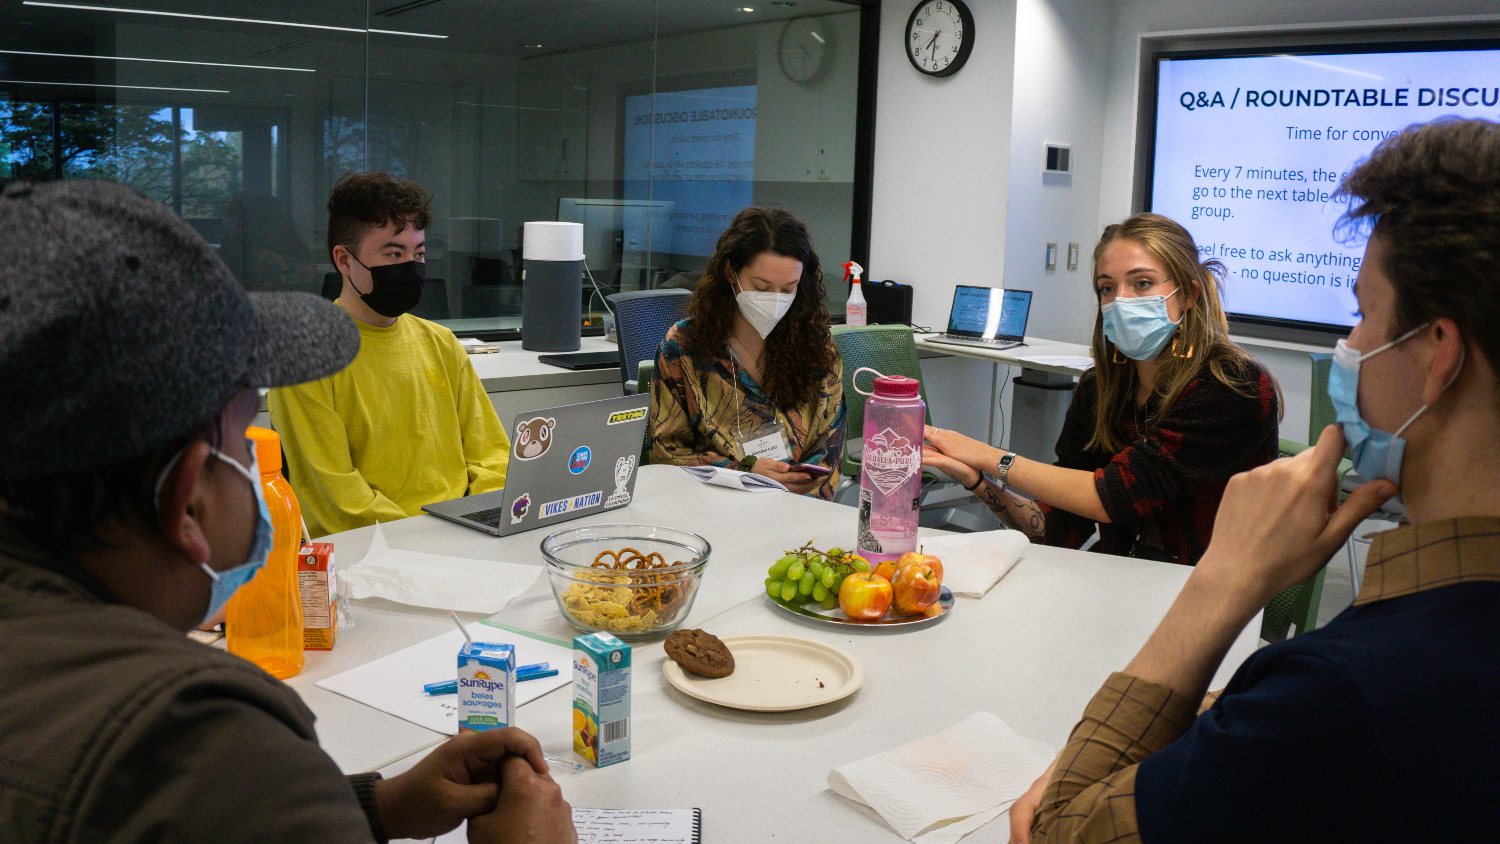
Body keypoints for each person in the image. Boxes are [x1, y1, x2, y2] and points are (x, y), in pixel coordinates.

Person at [0, 179, 575, 842]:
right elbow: (233, 800)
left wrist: (372, 806)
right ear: (188, 496)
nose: (259, 460)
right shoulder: (205, 744)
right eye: (247, 437)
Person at [1010, 117, 1500, 843]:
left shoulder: (1341, 695)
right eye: (1107, 288)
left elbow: (1051, 828)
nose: (1350, 346)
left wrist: (1224, 581)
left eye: (1362, 313)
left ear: (1438, 354)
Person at [924, 213, 1280, 565]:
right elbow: (1056, 529)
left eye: (1142, 283)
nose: (1120, 301)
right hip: (1122, 573)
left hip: (1210, 586)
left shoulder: (1231, 386)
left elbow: (1112, 496)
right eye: (1107, 288)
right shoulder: (1103, 388)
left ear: (1188, 293)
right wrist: (977, 481)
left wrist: (988, 456)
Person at [269, 172, 509, 537]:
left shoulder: (441, 343)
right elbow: (337, 500)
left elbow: (493, 458)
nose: (411, 266)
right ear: (344, 261)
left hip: (462, 534)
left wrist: (479, 521)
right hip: (373, 552)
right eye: (394, 253)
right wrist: (426, 537)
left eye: (419, 253)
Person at [649, 207, 845, 499]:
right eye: (761, 287)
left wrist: (800, 480)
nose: (775, 300)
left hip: (799, 506)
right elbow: (665, 453)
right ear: (731, 272)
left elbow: (830, 445)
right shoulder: (685, 348)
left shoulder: (817, 347)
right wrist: (744, 472)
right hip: (715, 503)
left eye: (788, 288)